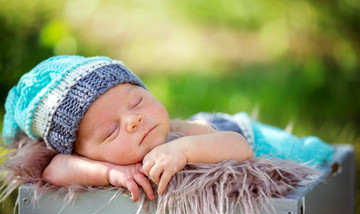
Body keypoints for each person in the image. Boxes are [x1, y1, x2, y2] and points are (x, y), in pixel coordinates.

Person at [1, 55, 333, 202]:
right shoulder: (87, 160)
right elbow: (54, 169)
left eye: (136, 102)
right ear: (82, 151)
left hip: (253, 135)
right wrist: (109, 174)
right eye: (110, 132)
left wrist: (183, 150)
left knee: (317, 156)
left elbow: (239, 146)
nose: (133, 120)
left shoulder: (182, 132)